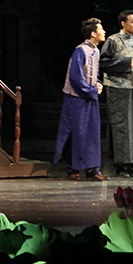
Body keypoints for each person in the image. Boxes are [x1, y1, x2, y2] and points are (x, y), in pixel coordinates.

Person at [99, 10, 133, 178]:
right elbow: (103, 63)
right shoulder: (112, 41)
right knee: (121, 126)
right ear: (123, 23)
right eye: (132, 21)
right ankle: (122, 165)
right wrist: (125, 63)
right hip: (116, 87)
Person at [54, 18, 109, 181]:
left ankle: (93, 169)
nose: (104, 32)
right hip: (76, 98)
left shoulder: (96, 51)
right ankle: (73, 168)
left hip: (89, 97)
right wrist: (91, 91)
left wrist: (98, 84)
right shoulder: (80, 51)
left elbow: (94, 73)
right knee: (77, 133)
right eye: (101, 29)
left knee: (92, 133)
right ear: (93, 33)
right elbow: (75, 77)